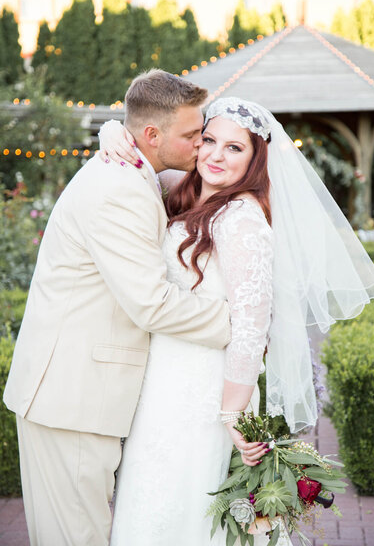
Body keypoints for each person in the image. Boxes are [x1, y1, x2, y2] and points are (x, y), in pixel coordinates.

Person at [98, 96, 374, 545]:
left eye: (235, 148)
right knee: (152, 499)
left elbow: (253, 326)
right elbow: (144, 153)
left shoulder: (242, 219)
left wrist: (232, 413)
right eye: (209, 140)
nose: (215, 155)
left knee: (189, 505)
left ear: (255, 159)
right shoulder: (189, 190)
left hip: (207, 390)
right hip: (163, 382)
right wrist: (112, 133)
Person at [3, 70, 244, 546]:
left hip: (77, 396)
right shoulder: (120, 188)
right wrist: (238, 323)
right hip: (70, 400)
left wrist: (115, 129)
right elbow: (151, 305)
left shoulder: (133, 168)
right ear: (152, 136)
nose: (201, 146)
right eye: (193, 135)